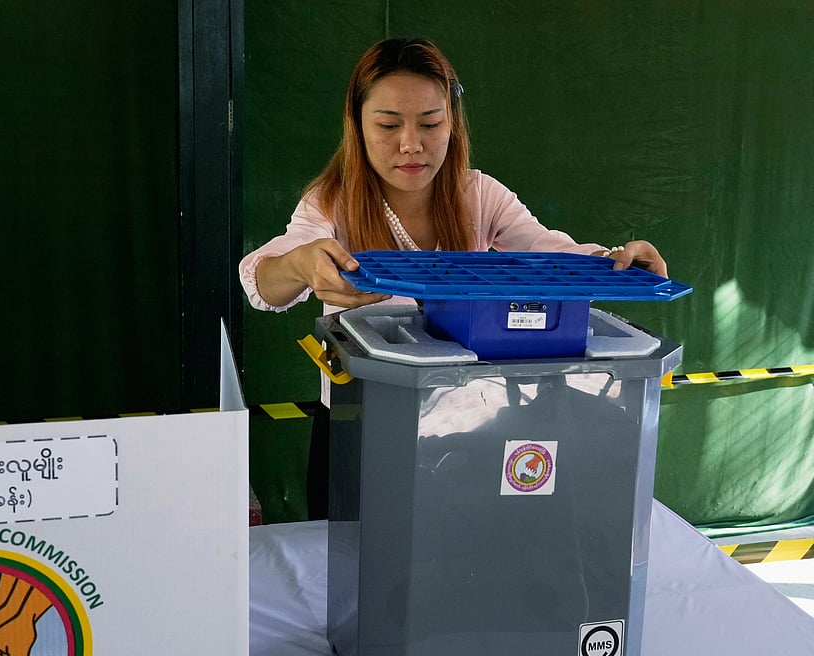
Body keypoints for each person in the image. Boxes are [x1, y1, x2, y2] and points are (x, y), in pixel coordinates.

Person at [238, 37, 670, 518]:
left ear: (452, 123)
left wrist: (614, 260)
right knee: (354, 566)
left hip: (468, 419)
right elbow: (265, 279)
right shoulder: (331, 201)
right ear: (357, 126)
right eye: (387, 124)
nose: (410, 144)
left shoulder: (479, 195)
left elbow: (546, 248)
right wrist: (301, 263)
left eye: (430, 123)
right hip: (359, 421)